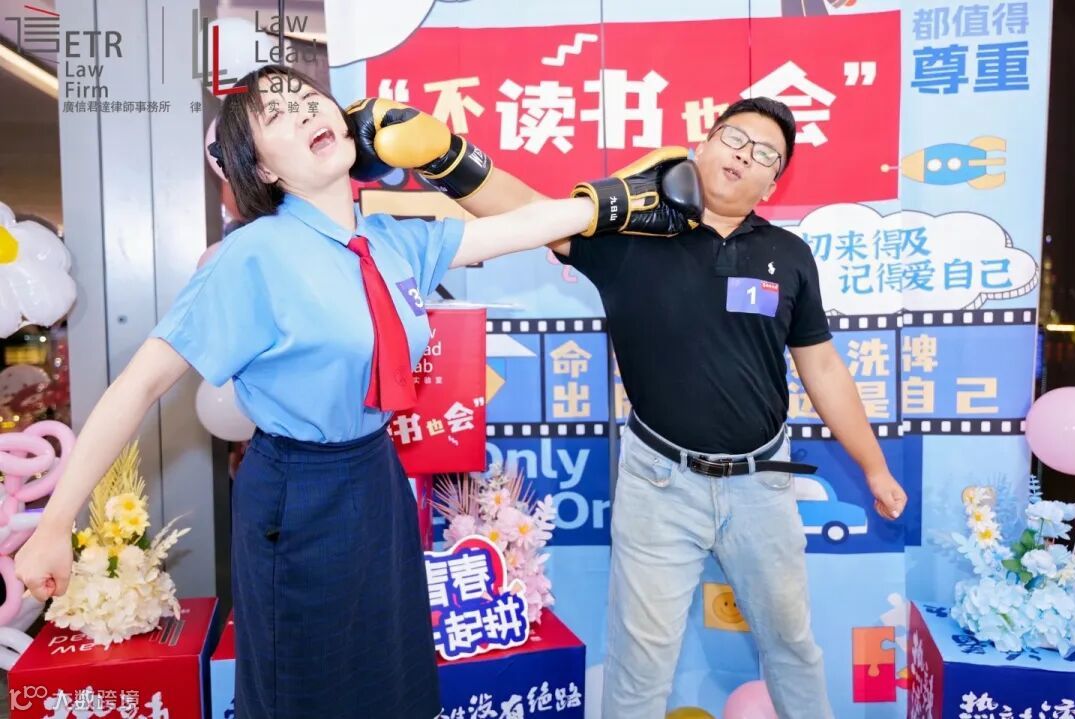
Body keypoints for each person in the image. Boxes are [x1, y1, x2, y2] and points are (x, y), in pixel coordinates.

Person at [13, 64, 702, 718]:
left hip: (376, 472)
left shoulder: (388, 240)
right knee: (306, 685)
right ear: (263, 168)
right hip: (297, 492)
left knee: (390, 672)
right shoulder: (253, 256)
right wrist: (53, 525)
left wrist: (613, 201)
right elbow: (138, 385)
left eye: (307, 98)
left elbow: (518, 227)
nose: (303, 110)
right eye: (277, 115)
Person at [355, 96, 908, 719]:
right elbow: (529, 212)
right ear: (703, 143)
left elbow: (823, 367)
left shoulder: (789, 254)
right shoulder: (633, 237)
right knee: (640, 667)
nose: (743, 156)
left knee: (793, 648)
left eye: (764, 155)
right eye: (734, 138)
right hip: (660, 487)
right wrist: (445, 156)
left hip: (762, 485)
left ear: (772, 183)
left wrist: (875, 468)